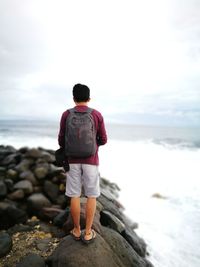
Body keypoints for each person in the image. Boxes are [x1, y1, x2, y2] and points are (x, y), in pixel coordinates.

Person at [58, 83, 107, 243]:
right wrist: (93, 145)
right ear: (89, 98)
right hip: (91, 160)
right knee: (92, 195)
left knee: (74, 195)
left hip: (71, 160)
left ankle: (77, 230)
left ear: (74, 98)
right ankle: (88, 232)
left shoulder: (66, 115)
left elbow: (61, 139)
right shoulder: (96, 114)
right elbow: (104, 139)